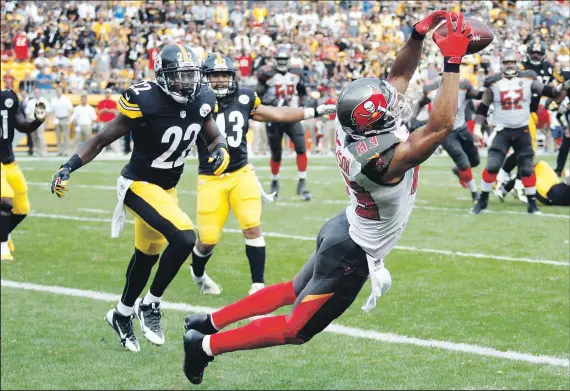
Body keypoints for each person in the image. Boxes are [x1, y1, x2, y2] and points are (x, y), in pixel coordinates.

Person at [182, 11, 471, 384]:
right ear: (377, 122)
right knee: (295, 330)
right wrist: (452, 60)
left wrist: (416, 36)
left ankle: (209, 321)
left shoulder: (354, 124)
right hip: (353, 252)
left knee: (290, 290)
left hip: (342, 228)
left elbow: (398, 76)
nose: (396, 103)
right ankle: (203, 346)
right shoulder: (383, 160)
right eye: (389, 107)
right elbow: (441, 125)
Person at [49, 44, 230, 353]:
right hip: (137, 184)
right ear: (162, 77)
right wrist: (68, 166)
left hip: (167, 189)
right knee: (186, 238)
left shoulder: (203, 98)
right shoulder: (144, 99)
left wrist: (220, 149)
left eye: (191, 76)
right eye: (180, 76)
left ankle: (120, 314)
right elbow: (102, 139)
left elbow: (213, 135)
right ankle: (151, 304)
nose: (187, 83)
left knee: (147, 257)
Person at [189, 53, 335, 296]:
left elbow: (276, 114)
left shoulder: (244, 96)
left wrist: (314, 111)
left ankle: (258, 286)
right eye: (215, 76)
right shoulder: (196, 101)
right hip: (211, 177)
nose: (221, 81)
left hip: (241, 173)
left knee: (252, 227)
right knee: (207, 240)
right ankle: (199, 274)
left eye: (224, 75)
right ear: (205, 78)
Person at [471, 49, 569, 215]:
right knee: (493, 165)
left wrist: (564, 85)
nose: (509, 65)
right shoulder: (494, 82)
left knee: (527, 169)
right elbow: (483, 106)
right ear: (502, 64)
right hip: (503, 130)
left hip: (522, 130)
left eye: (512, 62)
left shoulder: (528, 79)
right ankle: (483, 200)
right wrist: (477, 128)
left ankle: (532, 204)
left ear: (516, 64)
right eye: (506, 63)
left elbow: (550, 92)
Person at [256, 46, 312, 201]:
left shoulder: (296, 72)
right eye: (279, 60)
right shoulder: (266, 73)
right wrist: (270, 101)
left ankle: (302, 182)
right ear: (275, 60)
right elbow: (257, 97)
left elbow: (302, 92)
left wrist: (303, 105)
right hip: (273, 116)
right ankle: (274, 182)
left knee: (301, 148)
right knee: (276, 153)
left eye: (284, 60)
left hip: (292, 116)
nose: (282, 63)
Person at [418, 75, 483, 201]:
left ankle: (459, 171)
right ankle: (475, 193)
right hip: (446, 133)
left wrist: (486, 87)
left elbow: (480, 96)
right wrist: (413, 118)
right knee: (463, 161)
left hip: (463, 130)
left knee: (475, 161)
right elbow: (420, 103)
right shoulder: (433, 92)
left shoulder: (463, 89)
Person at [1, 89, 46, 261]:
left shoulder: (7, 98)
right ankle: (2, 247)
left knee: (21, 208)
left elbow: (23, 125)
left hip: (8, 162)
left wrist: (38, 120)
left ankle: (4, 234)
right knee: (4, 200)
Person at [51, 87, 74, 156]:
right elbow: (51, 111)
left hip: (65, 118)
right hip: (57, 119)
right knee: (58, 136)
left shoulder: (66, 99)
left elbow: (70, 109)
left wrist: (69, 119)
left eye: (59, 90)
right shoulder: (53, 100)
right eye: (57, 90)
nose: (58, 91)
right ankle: (60, 151)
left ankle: (66, 151)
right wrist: (53, 119)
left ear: (62, 91)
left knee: (66, 136)